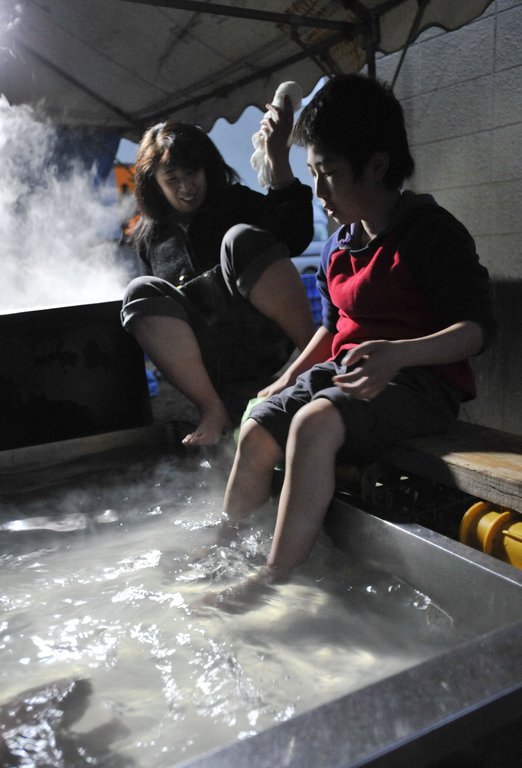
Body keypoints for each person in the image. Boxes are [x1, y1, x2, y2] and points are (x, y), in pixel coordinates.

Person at [221, 73, 496, 585]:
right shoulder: (338, 245)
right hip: (345, 375)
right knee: (257, 426)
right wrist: (284, 380)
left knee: (312, 424)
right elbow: (330, 330)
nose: (319, 191)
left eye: (329, 174)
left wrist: (400, 354)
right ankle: (225, 552)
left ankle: (275, 578)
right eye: (312, 173)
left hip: (420, 385)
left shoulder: (431, 233)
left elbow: (477, 330)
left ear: (377, 165)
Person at [121, 101, 316, 446]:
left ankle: (315, 358)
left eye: (192, 174)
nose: (186, 188)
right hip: (212, 362)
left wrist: (278, 159)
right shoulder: (149, 238)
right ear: (155, 184)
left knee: (240, 238)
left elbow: (296, 235)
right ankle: (212, 409)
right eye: (172, 179)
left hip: (266, 345)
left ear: (208, 169)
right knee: (139, 291)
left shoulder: (236, 202)